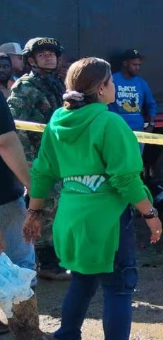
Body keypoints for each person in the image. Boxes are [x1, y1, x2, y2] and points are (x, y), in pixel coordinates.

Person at [22, 57, 162, 340]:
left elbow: (41, 173)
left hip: (71, 217)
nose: (114, 87)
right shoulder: (110, 122)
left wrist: (34, 212)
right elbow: (125, 179)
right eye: (111, 82)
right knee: (119, 288)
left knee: (83, 281)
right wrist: (150, 214)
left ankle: (67, 334)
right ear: (100, 88)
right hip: (106, 222)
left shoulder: (57, 122)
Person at [7, 37, 68, 281]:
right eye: (42, 55)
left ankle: (54, 259)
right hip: (39, 160)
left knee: (55, 207)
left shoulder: (56, 85)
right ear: (31, 60)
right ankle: (45, 264)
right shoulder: (25, 87)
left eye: (52, 54)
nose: (49, 57)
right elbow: (14, 127)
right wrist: (28, 160)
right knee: (41, 206)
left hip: (58, 158)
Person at [0, 91, 50, 339]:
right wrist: (34, 189)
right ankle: (26, 333)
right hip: (3, 199)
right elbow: (5, 142)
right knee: (19, 266)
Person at [108, 49, 157, 135]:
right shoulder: (111, 80)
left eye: (139, 65)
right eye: (134, 64)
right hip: (116, 129)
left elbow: (151, 104)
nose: (137, 67)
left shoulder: (141, 83)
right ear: (125, 63)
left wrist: (151, 124)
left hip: (138, 130)